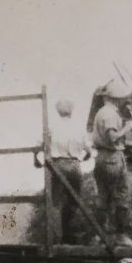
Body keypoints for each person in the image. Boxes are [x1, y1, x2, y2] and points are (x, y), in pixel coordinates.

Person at [91, 79, 132, 247]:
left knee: (102, 197)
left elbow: (105, 138)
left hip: (102, 157)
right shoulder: (110, 114)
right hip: (112, 158)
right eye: (121, 98)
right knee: (121, 196)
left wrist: (127, 144)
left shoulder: (101, 112)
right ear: (116, 99)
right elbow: (112, 137)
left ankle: (98, 236)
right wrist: (128, 128)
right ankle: (121, 236)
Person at [46, 98, 91, 244]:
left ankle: (57, 237)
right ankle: (68, 233)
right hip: (75, 165)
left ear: (58, 111)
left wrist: (37, 158)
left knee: (56, 203)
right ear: (71, 111)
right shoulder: (78, 126)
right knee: (74, 201)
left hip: (58, 165)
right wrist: (83, 157)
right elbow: (88, 149)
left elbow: (40, 144)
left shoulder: (52, 126)